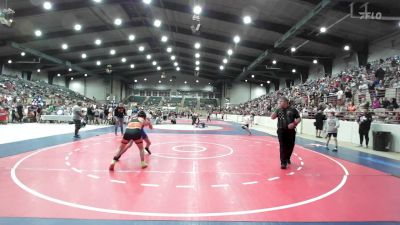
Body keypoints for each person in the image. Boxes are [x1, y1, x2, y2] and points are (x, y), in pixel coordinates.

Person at [271, 97, 301, 169]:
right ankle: (283, 162)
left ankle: (287, 157)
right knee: (282, 146)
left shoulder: (293, 109)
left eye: (281, 101)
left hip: (291, 131)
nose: (279, 103)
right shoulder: (278, 109)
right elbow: (272, 117)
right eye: (279, 101)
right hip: (281, 130)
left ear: (285, 102)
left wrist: (294, 123)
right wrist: (276, 110)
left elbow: (299, 118)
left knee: (290, 145)